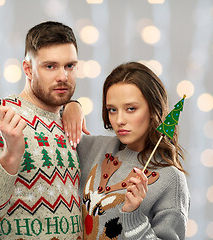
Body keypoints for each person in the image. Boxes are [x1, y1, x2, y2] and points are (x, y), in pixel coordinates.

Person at [0, 21, 87, 239]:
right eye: (50, 66)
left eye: (69, 66)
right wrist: (11, 157)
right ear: (27, 69)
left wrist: (74, 106)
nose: (63, 77)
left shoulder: (70, 121)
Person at [62, 62, 189, 239]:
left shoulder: (171, 179)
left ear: (153, 109)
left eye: (131, 109)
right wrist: (71, 106)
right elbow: (47, 121)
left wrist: (134, 215)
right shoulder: (91, 148)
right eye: (112, 110)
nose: (119, 120)